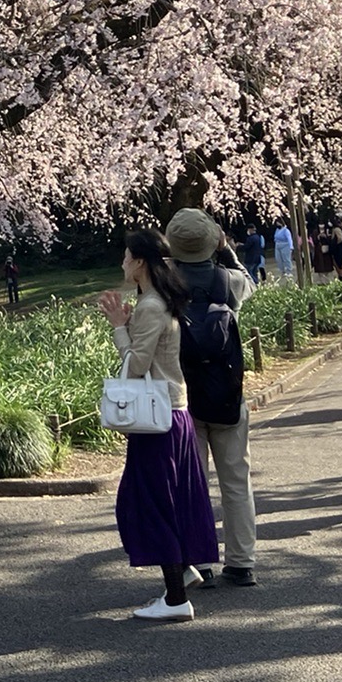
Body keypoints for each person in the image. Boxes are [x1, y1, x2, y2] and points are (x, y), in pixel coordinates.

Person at [97, 228, 220, 622]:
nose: (122, 262)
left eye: (126, 255)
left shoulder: (151, 305)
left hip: (159, 421)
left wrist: (119, 327)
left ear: (140, 262)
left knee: (150, 503)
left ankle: (175, 598)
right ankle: (181, 573)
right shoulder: (156, 302)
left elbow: (135, 366)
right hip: (174, 414)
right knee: (171, 499)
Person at [164, 209, 258, 588]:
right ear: (213, 240)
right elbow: (251, 282)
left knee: (193, 481)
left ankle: (199, 559)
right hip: (227, 392)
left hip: (184, 393)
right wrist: (227, 252)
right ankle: (241, 561)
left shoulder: (163, 283)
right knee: (237, 479)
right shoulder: (228, 281)